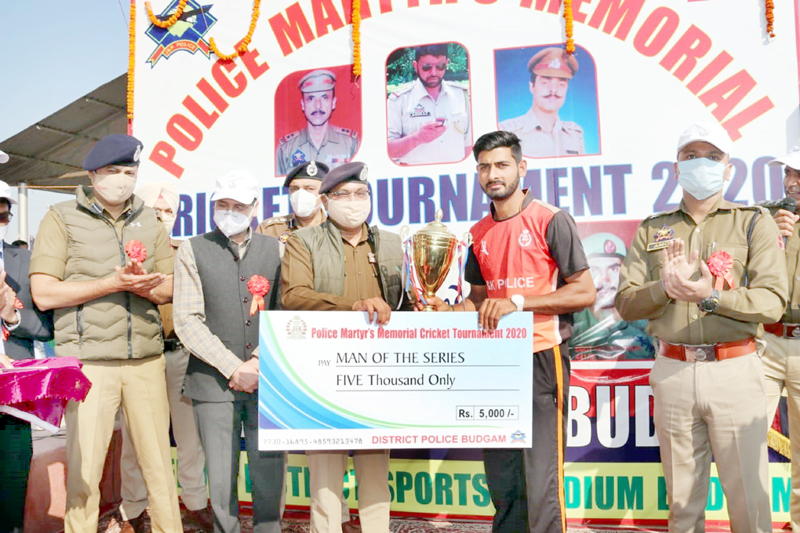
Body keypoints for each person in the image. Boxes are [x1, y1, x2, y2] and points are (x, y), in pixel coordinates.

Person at [615, 122, 787, 532]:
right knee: (682, 504)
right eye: (691, 157)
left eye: (712, 157)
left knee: (750, 501)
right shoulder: (653, 228)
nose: (701, 165)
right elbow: (625, 302)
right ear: (676, 169)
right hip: (673, 372)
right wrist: (665, 287)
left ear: (728, 169)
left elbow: (772, 303)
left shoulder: (752, 222)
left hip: (736, 371)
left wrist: (709, 296)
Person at [424, 131, 595, 532]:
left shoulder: (551, 219)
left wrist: (519, 302)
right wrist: (446, 311)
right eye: (484, 167)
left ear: (521, 167)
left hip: (541, 354)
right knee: (501, 475)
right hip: (493, 361)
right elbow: (478, 301)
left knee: (541, 475)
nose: (492, 174)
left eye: (501, 165)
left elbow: (584, 291)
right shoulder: (478, 232)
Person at [29, 134, 182, 533]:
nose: (122, 179)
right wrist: (110, 284)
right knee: (85, 473)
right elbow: (43, 293)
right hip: (90, 364)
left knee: (160, 474)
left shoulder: (148, 218)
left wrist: (147, 285)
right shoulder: (60, 217)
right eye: (113, 172)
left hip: (147, 362)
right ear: (93, 176)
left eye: (129, 172)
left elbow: (171, 288)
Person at [282, 161, 411, 533]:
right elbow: (294, 296)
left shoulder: (388, 241)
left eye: (361, 194)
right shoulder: (303, 241)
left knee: (375, 473)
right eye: (344, 195)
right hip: (323, 370)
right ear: (325, 201)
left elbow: (403, 299)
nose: (354, 202)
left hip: (377, 370)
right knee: (324, 477)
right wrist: (351, 307)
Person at [173, 170, 285, 533]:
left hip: (268, 378)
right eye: (223, 204)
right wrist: (234, 367)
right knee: (220, 477)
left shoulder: (276, 248)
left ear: (255, 208)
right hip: (211, 381)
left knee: (269, 470)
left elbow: (285, 312)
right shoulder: (192, 248)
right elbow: (187, 320)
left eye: (239, 205)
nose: (230, 211)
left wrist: (258, 360)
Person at [117, 181, 213, 531]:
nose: (161, 216)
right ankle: (134, 507)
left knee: (189, 436)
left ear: (177, 214)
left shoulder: (186, 252)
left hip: (181, 353)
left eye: (167, 210)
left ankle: (194, 503)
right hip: (141, 357)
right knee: (135, 438)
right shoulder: (124, 255)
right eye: (154, 210)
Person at [0, 178, 54, 533]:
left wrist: (11, 315)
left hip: (9, 397)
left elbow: (47, 326)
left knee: (11, 479)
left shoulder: (23, 261)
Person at [762, 144, 800, 531]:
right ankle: (754, 521)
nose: (792, 181)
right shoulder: (763, 215)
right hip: (766, 341)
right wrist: (773, 238)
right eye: (788, 172)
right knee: (746, 436)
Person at [569, 233, 654, 360]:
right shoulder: (570, 326)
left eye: (614, 269)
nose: (605, 280)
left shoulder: (648, 322)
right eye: (594, 270)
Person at [387, 43, 471, 165]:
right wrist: (418, 137)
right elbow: (388, 151)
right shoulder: (399, 101)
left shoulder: (461, 96)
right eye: (427, 67)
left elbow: (469, 143)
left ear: (447, 63)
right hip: (416, 179)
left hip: (454, 179)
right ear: (415, 66)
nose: (433, 73)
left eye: (440, 66)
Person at [499, 47, 584, 158]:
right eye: (545, 82)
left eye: (561, 84)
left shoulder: (575, 134)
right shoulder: (508, 132)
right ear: (532, 86)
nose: (553, 90)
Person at [276, 70, 359, 175]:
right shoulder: (286, 148)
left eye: (325, 98)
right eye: (311, 98)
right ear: (303, 104)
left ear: (333, 103)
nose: (318, 106)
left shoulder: (350, 143)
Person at [259, 161, 328, 251]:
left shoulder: (336, 230)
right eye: (294, 189)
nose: (300, 194)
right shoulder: (270, 229)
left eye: (309, 188)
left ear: (323, 194)